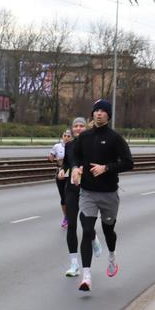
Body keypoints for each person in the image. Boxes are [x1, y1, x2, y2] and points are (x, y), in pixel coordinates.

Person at [71, 99, 133, 292]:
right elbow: (74, 154)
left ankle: (112, 256)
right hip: (88, 192)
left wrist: (106, 168)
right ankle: (86, 276)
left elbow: (129, 163)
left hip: (108, 194)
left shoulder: (115, 138)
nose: (98, 114)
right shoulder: (85, 136)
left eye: (102, 111)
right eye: (96, 111)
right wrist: (75, 168)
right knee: (87, 230)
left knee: (108, 231)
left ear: (108, 115)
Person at [61, 118, 102, 277]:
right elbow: (66, 164)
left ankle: (93, 237)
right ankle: (74, 264)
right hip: (72, 188)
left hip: (88, 190)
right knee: (71, 225)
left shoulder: (93, 143)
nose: (78, 128)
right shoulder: (69, 145)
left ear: (86, 127)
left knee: (86, 225)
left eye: (81, 126)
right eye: (75, 126)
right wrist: (62, 171)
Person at [49, 130, 72, 228]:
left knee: (71, 196)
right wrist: (51, 158)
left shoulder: (74, 146)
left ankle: (72, 216)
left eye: (68, 136)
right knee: (63, 197)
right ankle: (66, 217)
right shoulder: (57, 146)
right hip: (60, 172)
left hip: (71, 172)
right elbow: (51, 157)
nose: (66, 137)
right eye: (65, 135)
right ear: (62, 136)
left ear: (71, 137)